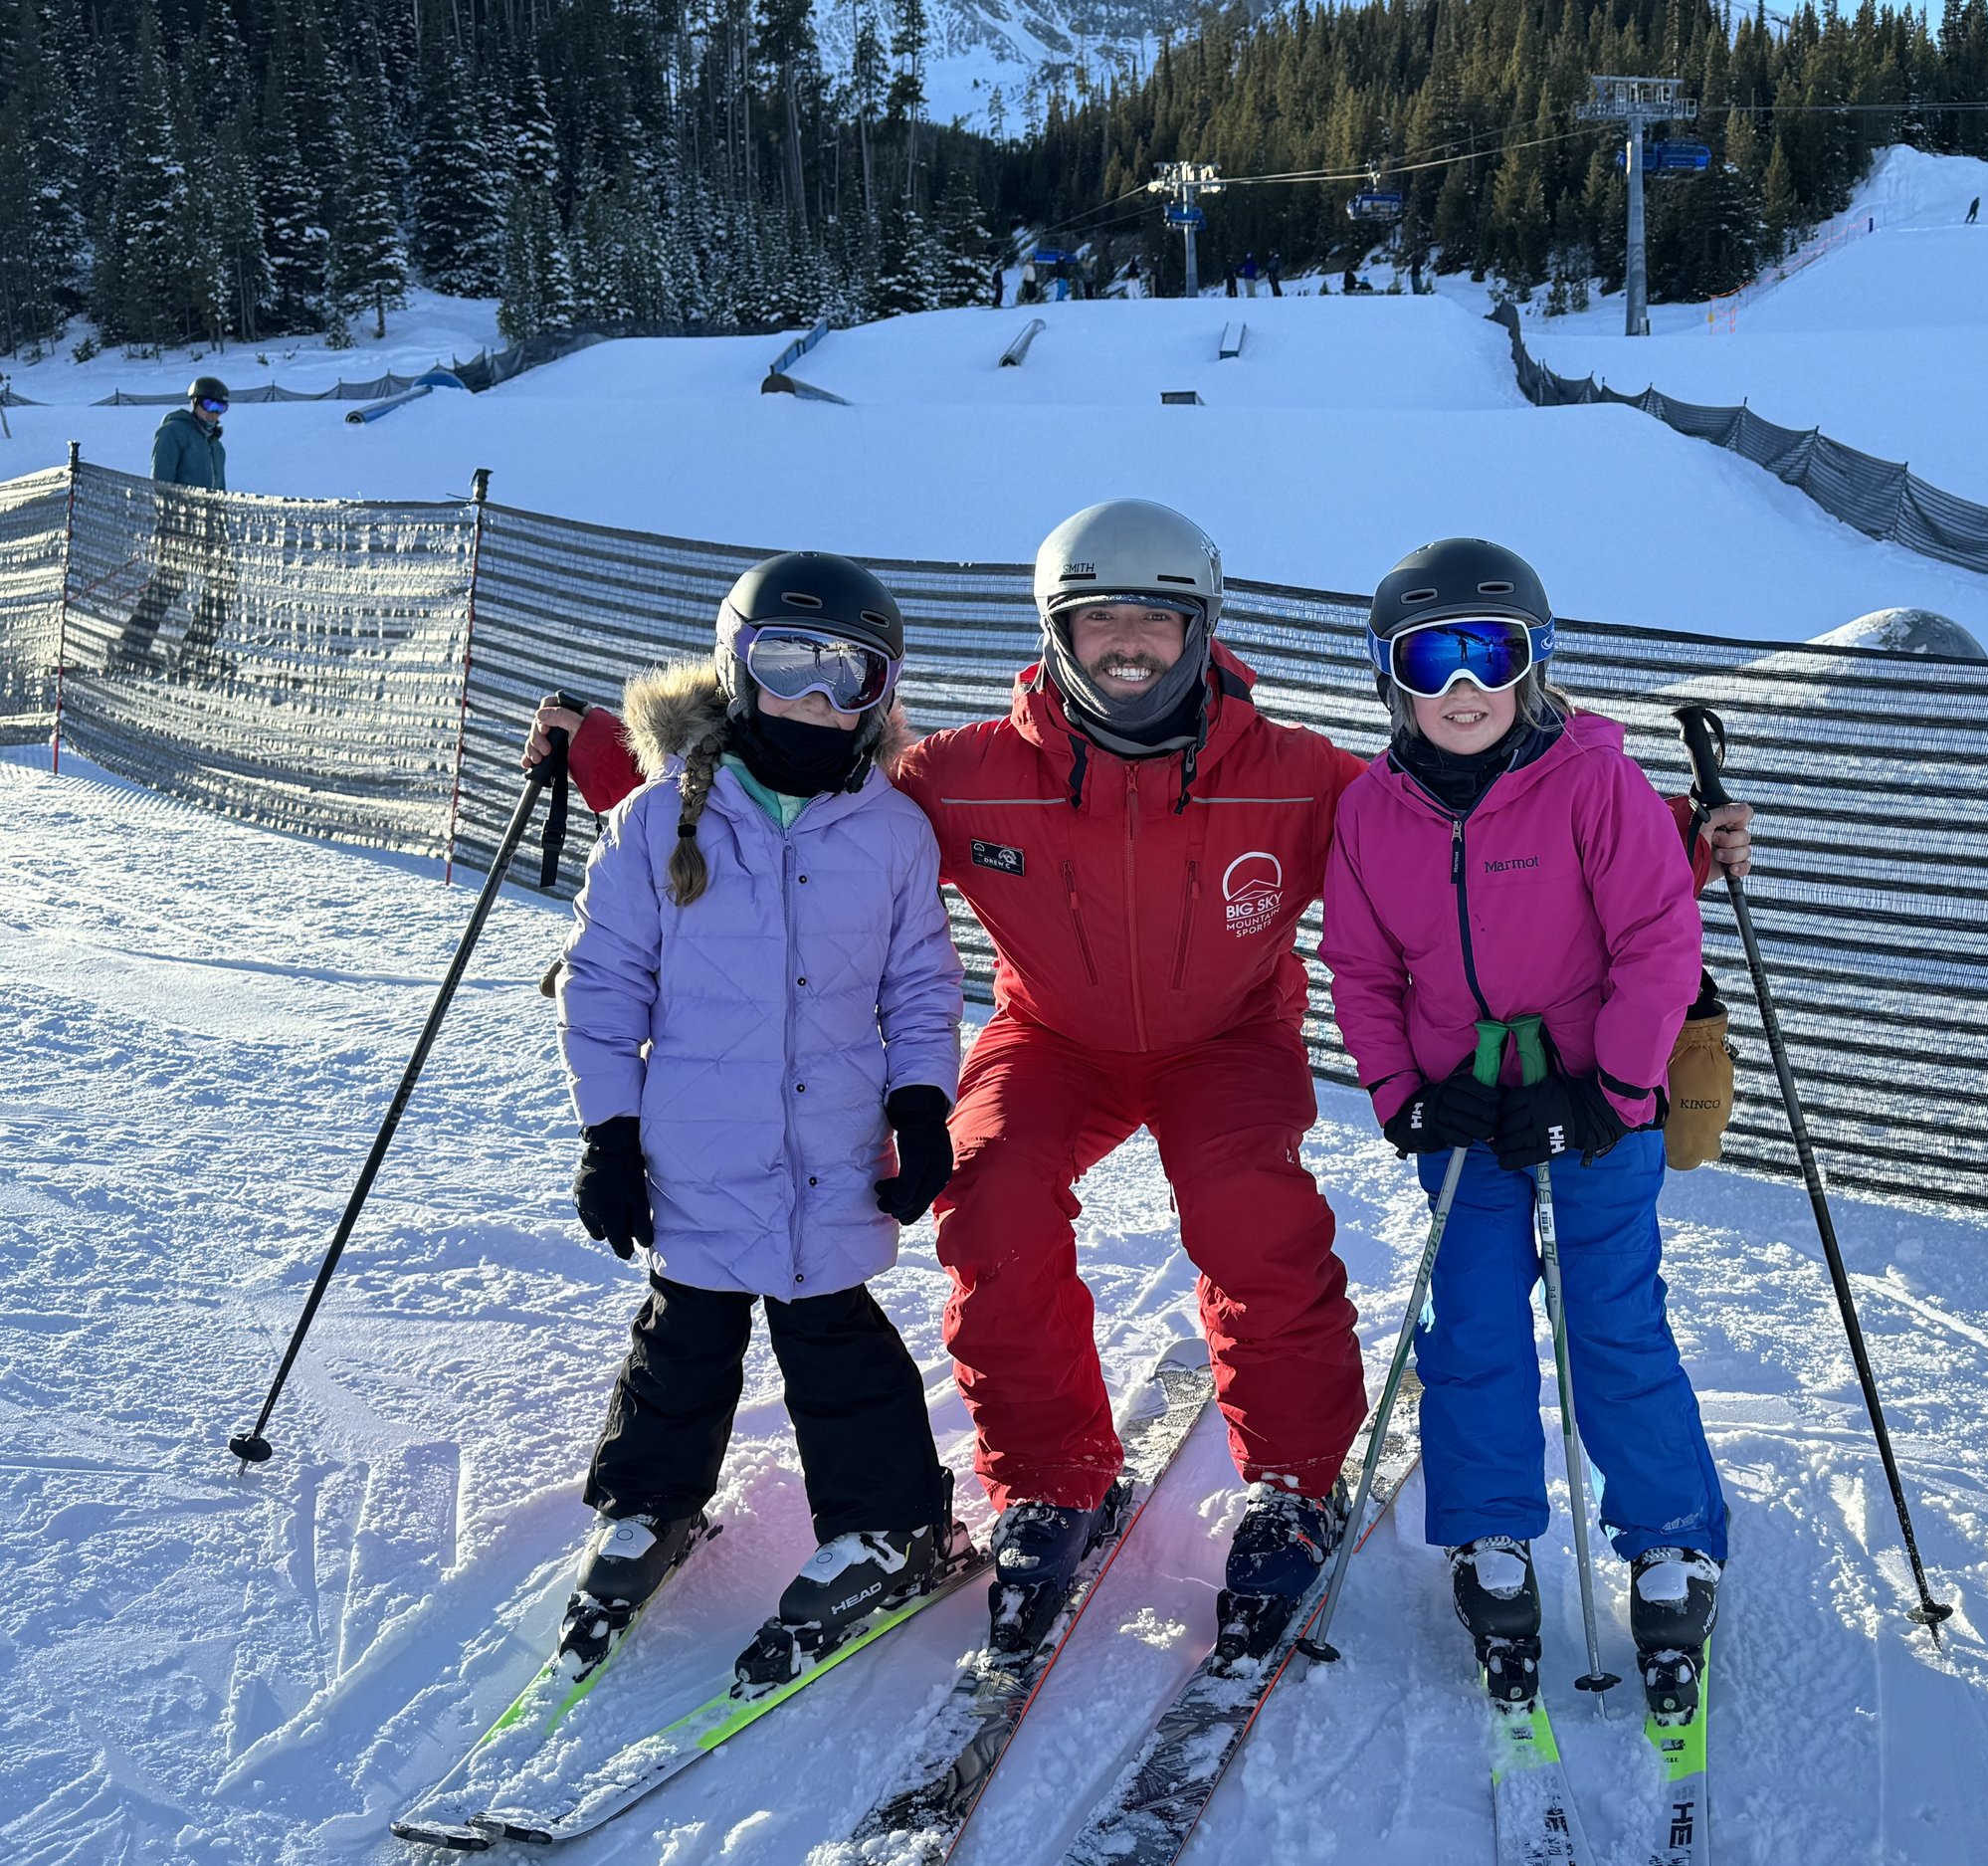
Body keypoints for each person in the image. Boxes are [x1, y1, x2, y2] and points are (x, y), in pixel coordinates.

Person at [524, 515, 1757, 1662]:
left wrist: (1680, 835)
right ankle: (1051, 1480)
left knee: (1246, 1206)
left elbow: (1474, 828)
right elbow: (789, 797)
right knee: (990, 1191)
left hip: (1224, 1038)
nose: (1128, 645)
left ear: (1200, 630)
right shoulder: (969, 774)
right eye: (1097, 621)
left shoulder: (1293, 774)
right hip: (1052, 1036)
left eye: (1155, 621)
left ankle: (1290, 1483)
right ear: (1053, 635)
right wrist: (597, 756)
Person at [1320, 538, 1727, 1725]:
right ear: (1390, 676)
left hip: (1596, 1108)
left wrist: (1613, 1090)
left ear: (1532, 663)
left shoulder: (1592, 782)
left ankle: (1670, 1539)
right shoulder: (1368, 809)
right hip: (1464, 1112)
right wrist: (1400, 1094)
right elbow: (1357, 968)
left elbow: (1659, 942)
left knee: (1611, 1319)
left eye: (1487, 654)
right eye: (1428, 657)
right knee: (1476, 1324)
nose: (1461, 685)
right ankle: (1490, 1533)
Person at [556, 552, 968, 1696]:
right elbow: (603, 983)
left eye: (849, 676)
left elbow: (921, 986)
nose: (815, 700)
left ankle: (890, 1523)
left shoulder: (892, 833)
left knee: (830, 1330)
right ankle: (648, 1507)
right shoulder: (655, 822)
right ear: (736, 666)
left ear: (881, 693)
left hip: (832, 1140)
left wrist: (923, 1102)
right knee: (686, 1331)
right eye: (786, 665)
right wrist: (610, 1132)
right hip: (696, 1138)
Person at [113, 375, 234, 674]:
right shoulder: (174, 432)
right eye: (209, 404)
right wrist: (169, 523)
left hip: (211, 531)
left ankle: (195, 653)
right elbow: (162, 482)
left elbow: (219, 493)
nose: (214, 412)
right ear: (195, 403)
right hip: (179, 526)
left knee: (224, 586)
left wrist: (222, 527)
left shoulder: (216, 447)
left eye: (221, 407)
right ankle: (132, 649)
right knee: (169, 585)